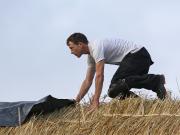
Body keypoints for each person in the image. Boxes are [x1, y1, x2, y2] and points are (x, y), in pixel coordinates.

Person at [66, 32, 167, 110]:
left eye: (71, 47)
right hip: (138, 59)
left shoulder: (96, 46)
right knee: (114, 91)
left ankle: (156, 80)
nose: (71, 52)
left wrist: (95, 101)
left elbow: (99, 75)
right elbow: (88, 81)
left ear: (80, 44)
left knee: (115, 85)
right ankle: (141, 104)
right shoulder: (91, 58)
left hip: (137, 55)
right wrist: (76, 101)